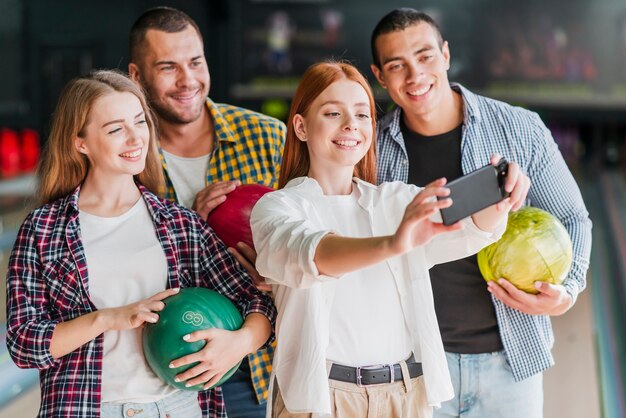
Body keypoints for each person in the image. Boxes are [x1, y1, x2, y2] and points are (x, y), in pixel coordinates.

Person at [250, 61, 530, 418]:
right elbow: (312, 254)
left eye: (363, 114)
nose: (351, 125)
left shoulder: (395, 201)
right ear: (301, 127)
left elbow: (472, 231)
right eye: (333, 113)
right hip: (321, 400)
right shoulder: (277, 208)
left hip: (405, 396)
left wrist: (500, 199)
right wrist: (393, 244)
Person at [5, 70, 276, 418]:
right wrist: (107, 319)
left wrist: (239, 343)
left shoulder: (179, 224)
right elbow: (24, 343)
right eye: (116, 129)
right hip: (87, 409)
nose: (136, 139)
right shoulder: (44, 229)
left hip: (179, 408)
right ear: (80, 143)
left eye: (140, 122)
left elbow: (257, 302)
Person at [370, 8, 592, 418]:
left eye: (425, 57)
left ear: (446, 55)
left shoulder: (519, 129)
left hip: (510, 365)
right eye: (397, 65)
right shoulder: (370, 149)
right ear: (380, 76)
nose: (415, 76)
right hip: (410, 367)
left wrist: (568, 290)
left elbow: (574, 218)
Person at [127, 7, 285, 416]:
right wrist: (193, 220)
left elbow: (319, 240)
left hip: (262, 368)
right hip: (163, 375)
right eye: (168, 67)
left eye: (195, 62)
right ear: (136, 76)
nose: (188, 80)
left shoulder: (267, 138)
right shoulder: (125, 157)